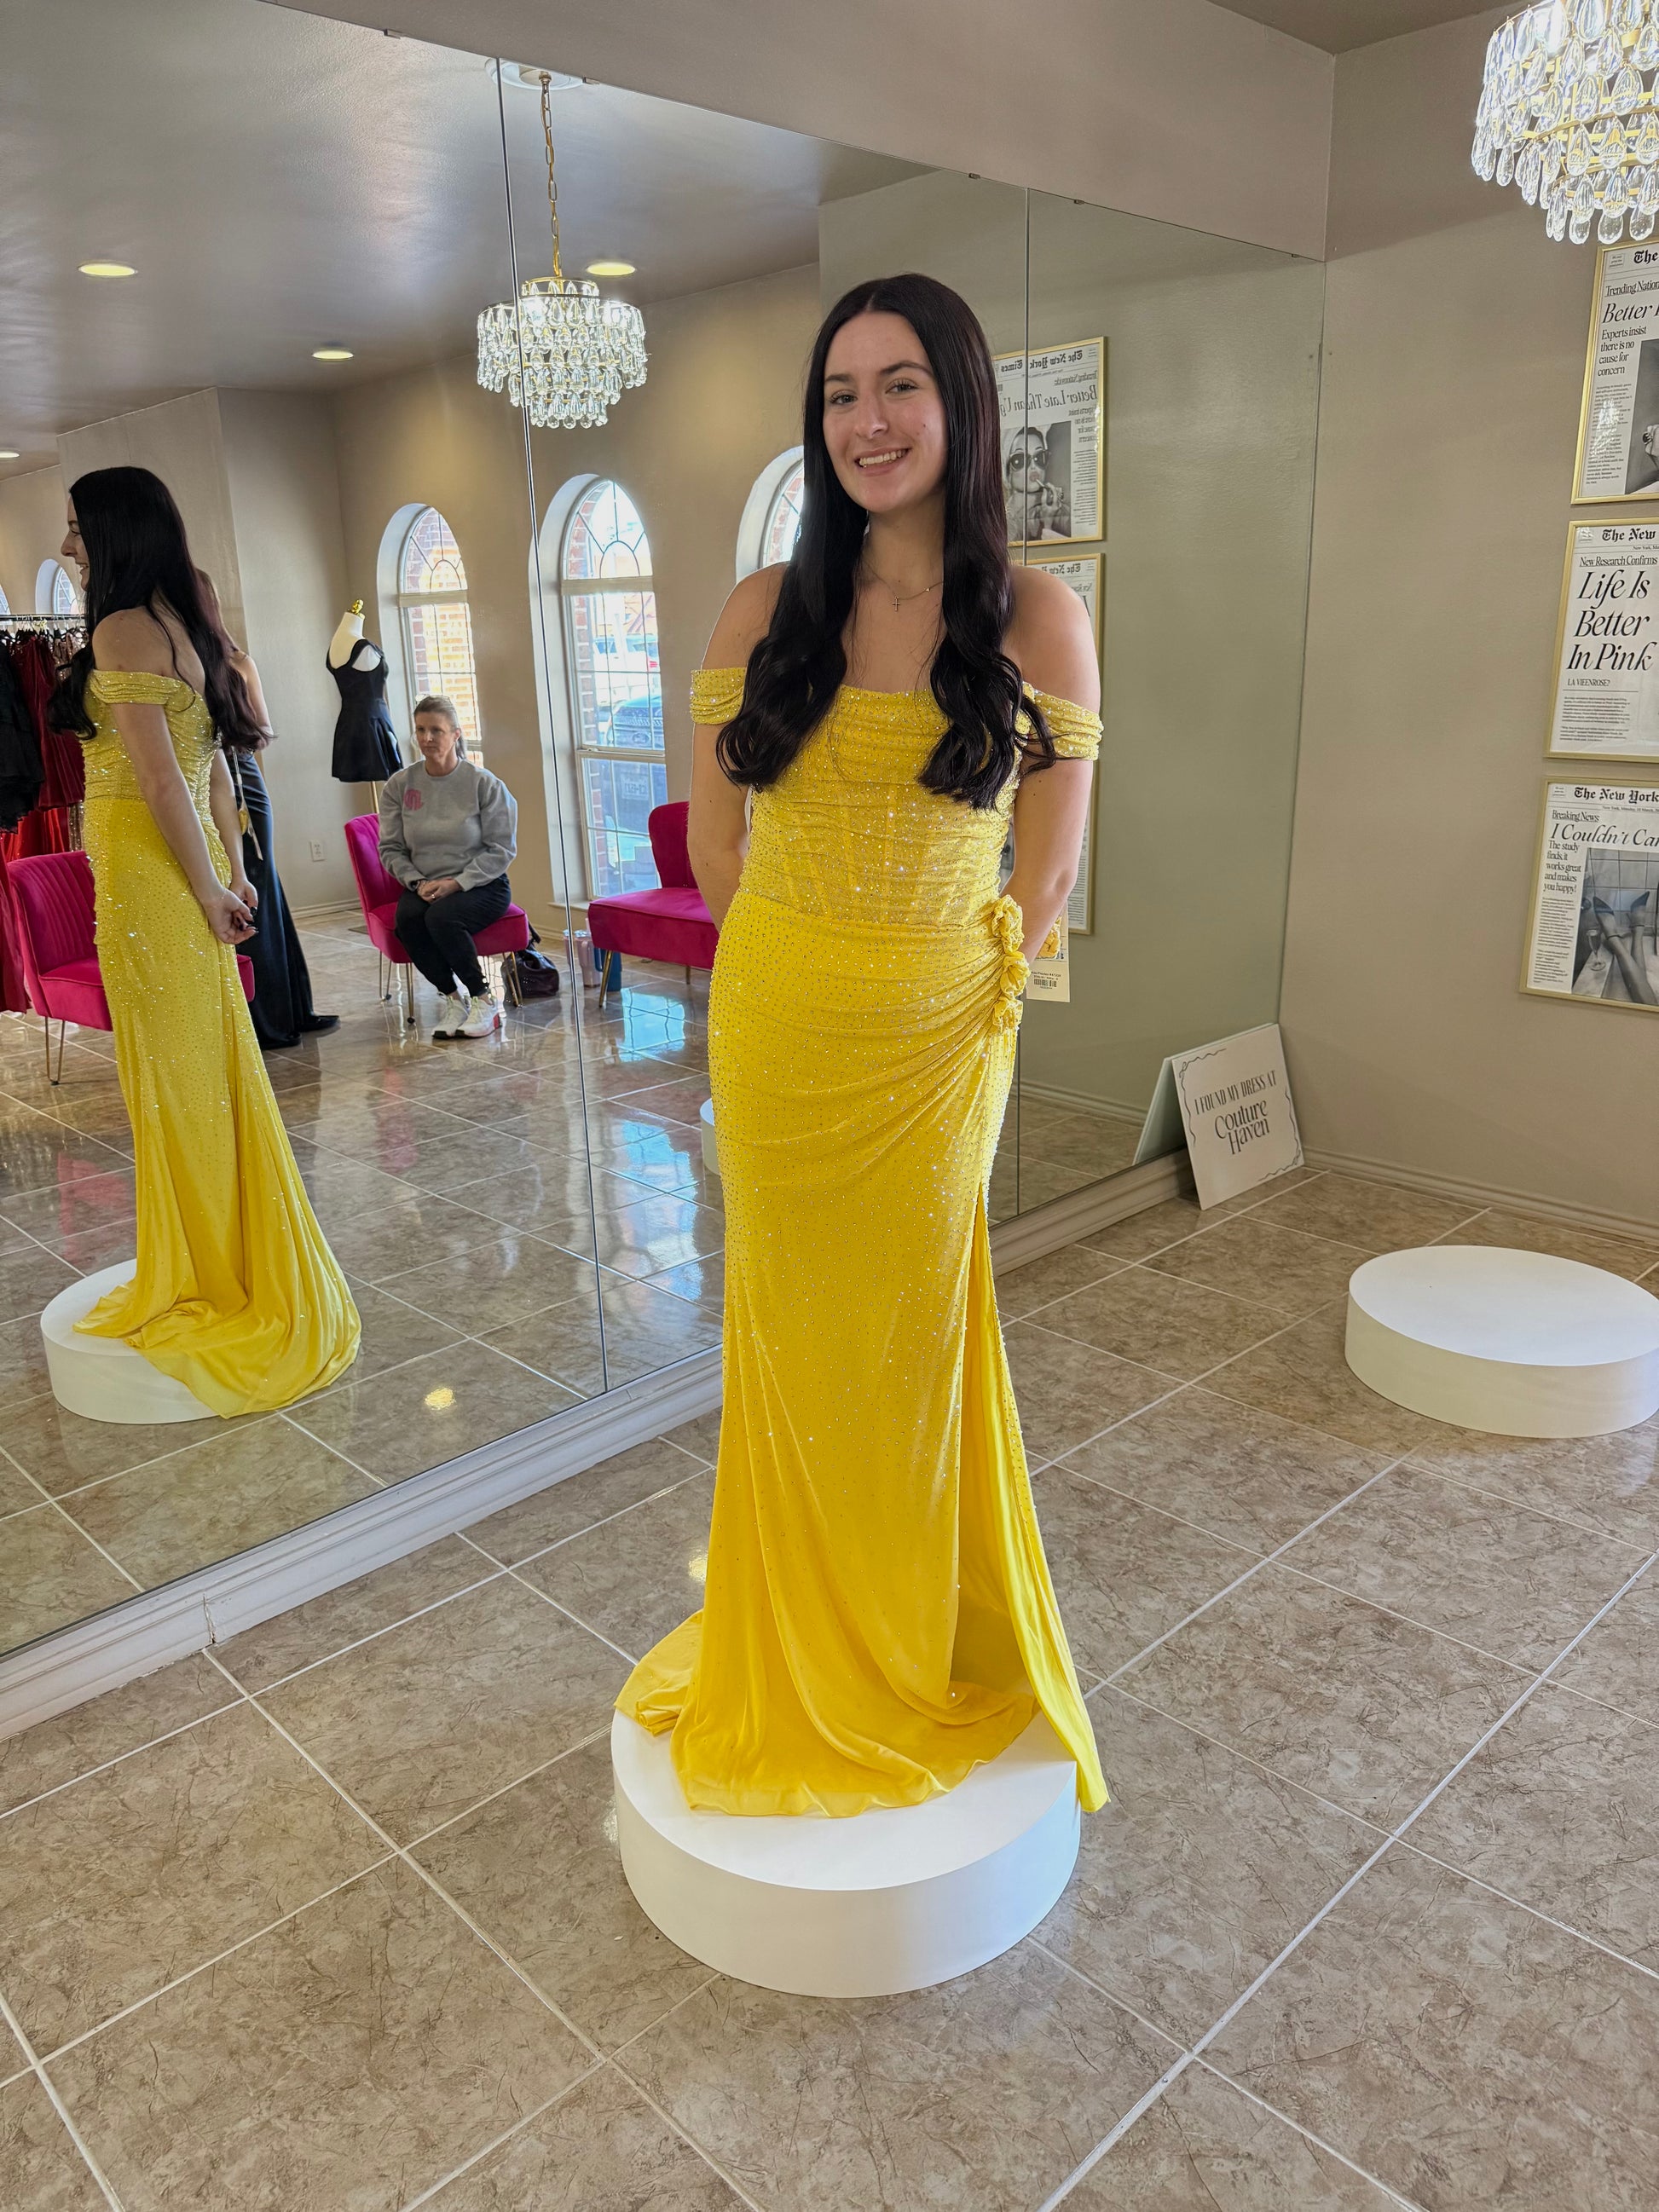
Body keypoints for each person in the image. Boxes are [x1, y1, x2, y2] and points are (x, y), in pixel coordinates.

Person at [616, 273, 1108, 1819]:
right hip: (781, 1029)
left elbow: (1048, 876)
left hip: (938, 1046)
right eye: (840, 393)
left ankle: (903, 1639)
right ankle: (798, 1639)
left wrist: (933, 989)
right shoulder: (764, 607)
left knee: (904, 1347)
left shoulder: (1037, 616)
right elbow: (715, 848)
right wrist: (808, 965)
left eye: (900, 385)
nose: (868, 420)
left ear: (959, 405)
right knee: (785, 1339)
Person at [48, 466, 359, 1415]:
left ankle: (209, 1269)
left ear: (114, 528)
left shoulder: (119, 629)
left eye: (76, 527)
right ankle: (221, 1247)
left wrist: (207, 884)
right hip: (180, 871)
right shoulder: (186, 613)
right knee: (206, 1062)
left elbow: (158, 781)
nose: (67, 544)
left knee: (176, 1072)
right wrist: (231, 869)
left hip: (149, 880)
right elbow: (214, 763)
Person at [194, 569, 338, 1051]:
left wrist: (225, 739)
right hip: (200, 783)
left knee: (257, 887)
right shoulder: (176, 661)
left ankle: (276, 1016)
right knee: (241, 887)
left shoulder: (237, 663)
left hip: (240, 783)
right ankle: (269, 1012)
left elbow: (262, 734)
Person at [376, 695, 517, 1042]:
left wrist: (458, 882)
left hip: (482, 884)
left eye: (436, 731)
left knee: (442, 917)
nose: (427, 738)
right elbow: (390, 848)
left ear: (455, 734)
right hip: (424, 883)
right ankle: (453, 1000)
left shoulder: (484, 784)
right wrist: (417, 882)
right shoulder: (400, 786)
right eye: (420, 730)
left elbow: (501, 849)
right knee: (408, 919)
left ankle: (483, 1000)